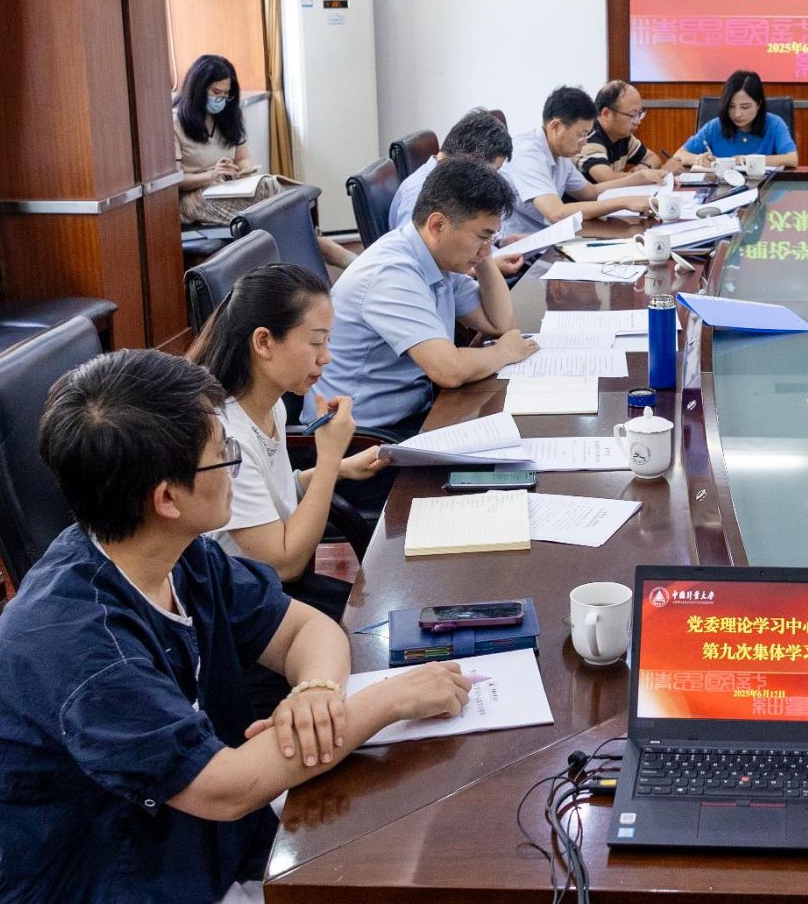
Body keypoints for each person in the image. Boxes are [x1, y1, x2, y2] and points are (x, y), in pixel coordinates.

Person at [0, 348, 474, 904]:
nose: (236, 468)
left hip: (157, 849)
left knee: (393, 863)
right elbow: (227, 789)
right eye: (224, 458)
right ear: (166, 496)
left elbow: (304, 630)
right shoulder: (82, 647)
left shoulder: (168, 554)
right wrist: (381, 701)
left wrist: (319, 690)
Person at [187, 264, 389, 620]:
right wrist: (329, 458)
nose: (325, 357)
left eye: (328, 341)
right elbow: (285, 565)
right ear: (264, 342)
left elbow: (274, 496)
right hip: (244, 605)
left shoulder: (271, 404)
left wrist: (340, 468)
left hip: (271, 589)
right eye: (316, 342)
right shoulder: (226, 439)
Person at [313, 157, 536, 445]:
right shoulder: (392, 274)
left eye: (492, 237)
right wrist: (504, 352)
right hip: (358, 439)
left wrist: (483, 253)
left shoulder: (438, 257)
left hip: (408, 415)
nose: (486, 248)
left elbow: (500, 323)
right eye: (482, 236)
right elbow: (448, 370)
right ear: (438, 225)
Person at [173, 55, 350, 269]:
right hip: (194, 197)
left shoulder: (228, 117)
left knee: (270, 189)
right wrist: (211, 175)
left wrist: (243, 171)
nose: (221, 99)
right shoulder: (175, 122)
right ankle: (327, 253)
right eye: (216, 92)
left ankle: (312, 256)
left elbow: (243, 159)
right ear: (198, 89)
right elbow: (176, 181)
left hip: (226, 188)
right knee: (274, 207)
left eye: (226, 94)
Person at [502, 85, 651, 237]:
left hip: (547, 235)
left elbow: (589, 192)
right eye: (581, 134)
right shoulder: (527, 153)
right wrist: (624, 202)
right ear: (556, 127)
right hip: (516, 243)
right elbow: (556, 213)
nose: (584, 142)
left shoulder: (560, 153)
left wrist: (638, 179)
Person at [389, 105, 512, 230]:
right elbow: (414, 242)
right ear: (470, 159)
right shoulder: (417, 193)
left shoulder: (457, 183)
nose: (493, 179)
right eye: (493, 171)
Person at [670, 69, 797, 170]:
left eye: (745, 107)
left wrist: (746, 160)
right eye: (731, 106)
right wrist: (698, 159)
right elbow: (679, 155)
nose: (737, 114)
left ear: (758, 104)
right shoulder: (716, 126)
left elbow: (792, 159)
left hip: (764, 190)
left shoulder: (774, 124)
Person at [578, 81, 668, 186]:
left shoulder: (622, 136)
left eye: (639, 114)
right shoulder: (589, 137)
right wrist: (643, 175)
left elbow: (653, 158)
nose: (638, 121)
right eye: (632, 115)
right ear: (606, 114)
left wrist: (643, 167)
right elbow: (607, 178)